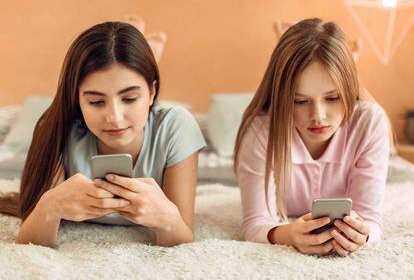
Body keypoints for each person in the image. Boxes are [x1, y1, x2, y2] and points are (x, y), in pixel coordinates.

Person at [0, 21, 206, 248]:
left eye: (129, 99)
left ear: (152, 92)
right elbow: (30, 243)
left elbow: (182, 238)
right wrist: (50, 206)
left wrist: (167, 217)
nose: (114, 118)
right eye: (96, 102)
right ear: (77, 99)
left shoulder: (177, 127)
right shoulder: (59, 129)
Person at [234, 18, 390, 257]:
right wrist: (287, 235)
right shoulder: (260, 129)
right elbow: (256, 223)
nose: (318, 116)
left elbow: (371, 220)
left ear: (348, 91)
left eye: (332, 98)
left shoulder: (370, 122)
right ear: (283, 99)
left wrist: (364, 235)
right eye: (300, 101)